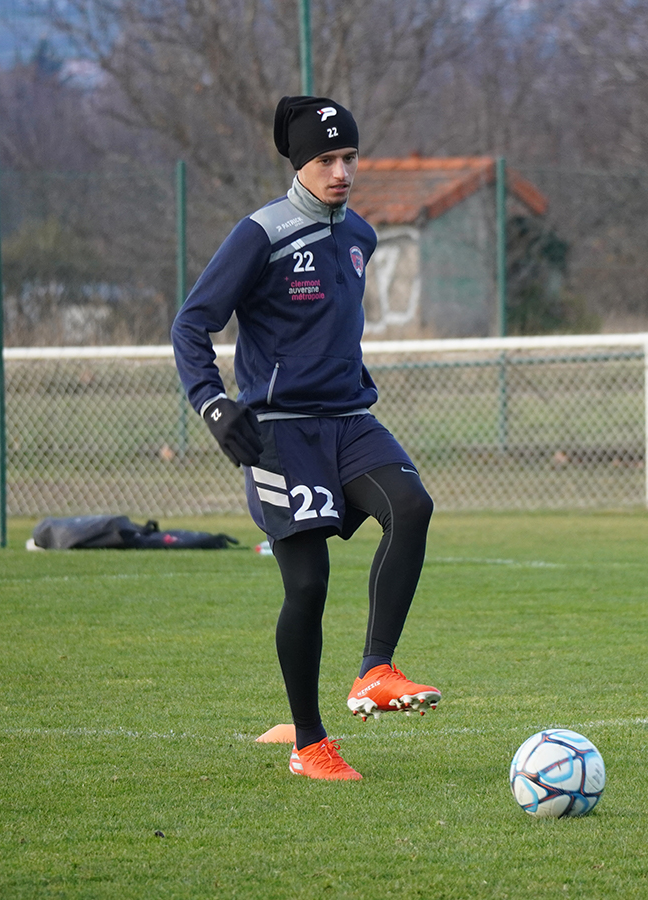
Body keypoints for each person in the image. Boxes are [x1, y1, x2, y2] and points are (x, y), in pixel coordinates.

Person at [171, 95, 440, 782]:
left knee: (412, 508)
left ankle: (374, 670)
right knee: (309, 585)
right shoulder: (261, 233)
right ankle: (309, 743)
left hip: (350, 420)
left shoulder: (361, 238)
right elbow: (191, 324)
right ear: (300, 163)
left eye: (350, 157)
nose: (342, 170)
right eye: (327, 159)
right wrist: (211, 404)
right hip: (279, 435)